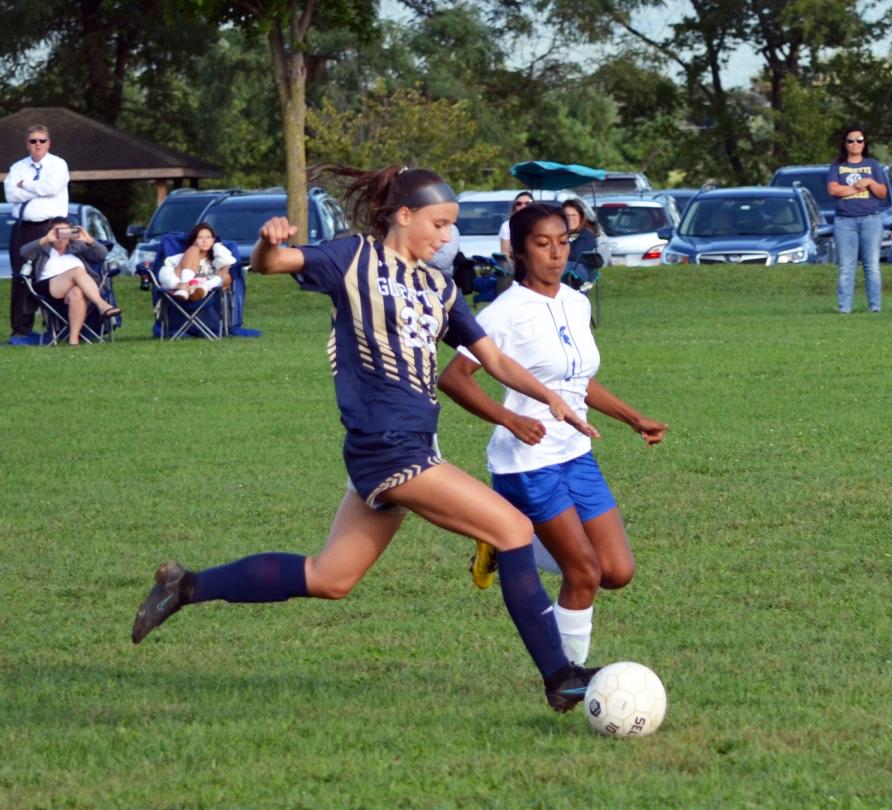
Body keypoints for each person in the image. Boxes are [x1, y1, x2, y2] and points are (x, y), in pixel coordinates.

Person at [131, 165, 604, 712]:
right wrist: (265, 245)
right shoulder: (353, 257)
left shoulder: (439, 286)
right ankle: (559, 677)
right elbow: (272, 264)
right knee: (512, 529)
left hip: (414, 446)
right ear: (404, 216)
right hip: (387, 447)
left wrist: (549, 398)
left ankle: (186, 585)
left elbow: (492, 358)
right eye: (440, 223)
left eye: (451, 226)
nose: (447, 236)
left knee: (330, 577)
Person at [437, 203, 668, 666]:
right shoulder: (505, 312)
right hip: (527, 461)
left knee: (616, 571)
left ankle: (506, 545)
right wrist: (510, 420)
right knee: (582, 571)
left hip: (576, 452)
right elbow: (454, 378)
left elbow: (578, 380)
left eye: (562, 242)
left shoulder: (577, 302)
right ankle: (567, 678)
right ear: (521, 251)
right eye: (542, 244)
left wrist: (631, 417)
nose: (556, 254)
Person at [4, 124, 71, 339]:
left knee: (54, 272)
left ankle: (57, 327)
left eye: (42, 140)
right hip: (24, 228)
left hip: (53, 226)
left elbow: (52, 188)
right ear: (27, 144)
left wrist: (25, 186)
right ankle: (21, 331)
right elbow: (10, 195)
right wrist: (34, 188)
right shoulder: (17, 168)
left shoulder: (58, 165)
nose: (38, 145)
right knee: (22, 277)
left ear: (48, 143)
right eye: (33, 141)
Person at [19, 218, 121, 346]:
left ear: (71, 233)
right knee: (77, 271)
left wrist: (89, 240)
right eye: (58, 232)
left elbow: (102, 255)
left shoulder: (78, 247)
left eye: (65, 232)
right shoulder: (43, 249)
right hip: (50, 289)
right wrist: (46, 239)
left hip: (81, 289)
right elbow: (23, 251)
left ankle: (73, 339)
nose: (61, 236)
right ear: (51, 233)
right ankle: (102, 305)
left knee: (77, 292)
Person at [826, 126, 889, 314]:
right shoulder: (837, 166)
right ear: (845, 144)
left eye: (859, 140)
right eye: (851, 140)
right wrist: (857, 187)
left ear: (864, 143)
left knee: (872, 265)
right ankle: (845, 307)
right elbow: (833, 190)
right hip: (845, 222)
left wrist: (869, 182)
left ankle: (875, 307)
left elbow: (882, 193)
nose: (855, 144)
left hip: (871, 220)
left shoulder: (873, 166)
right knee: (846, 266)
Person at [156, 222, 236, 301]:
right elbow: (164, 272)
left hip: (206, 291)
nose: (204, 241)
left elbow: (229, 262)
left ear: (212, 241)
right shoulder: (181, 257)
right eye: (200, 237)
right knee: (194, 249)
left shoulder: (216, 259)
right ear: (194, 240)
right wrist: (178, 284)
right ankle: (186, 288)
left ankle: (204, 288)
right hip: (182, 289)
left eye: (208, 238)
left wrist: (217, 246)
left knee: (227, 270)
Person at [561, 198, 598, 285]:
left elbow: (575, 256)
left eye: (574, 215)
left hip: (577, 277)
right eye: (567, 216)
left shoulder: (585, 235)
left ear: (581, 217)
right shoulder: (561, 234)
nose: (570, 219)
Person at [499, 191, 533, 259]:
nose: (523, 206)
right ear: (514, 207)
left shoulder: (540, 224)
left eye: (527, 203)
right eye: (519, 203)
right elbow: (505, 255)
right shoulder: (506, 226)